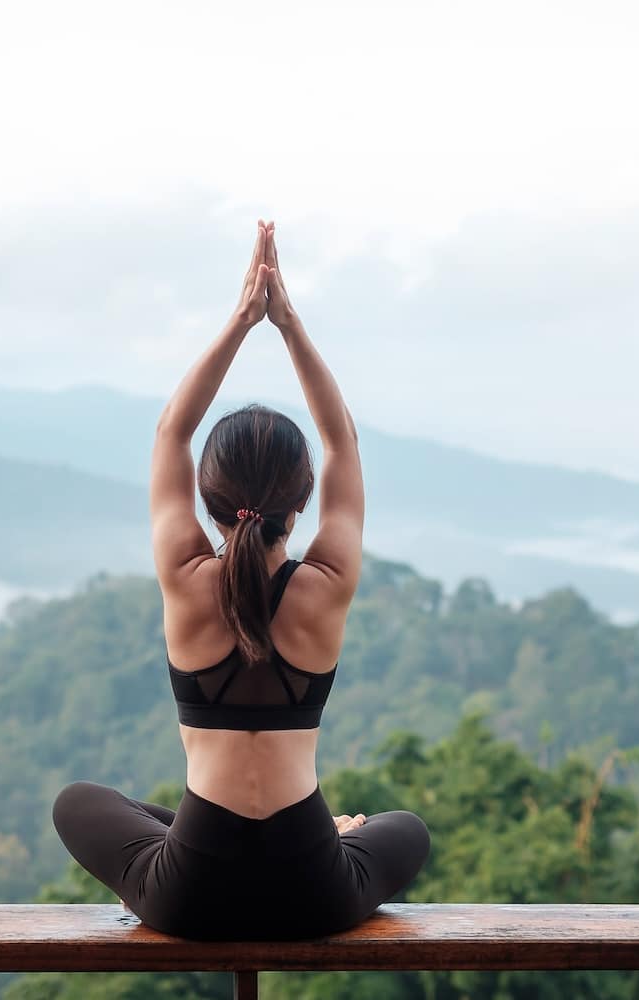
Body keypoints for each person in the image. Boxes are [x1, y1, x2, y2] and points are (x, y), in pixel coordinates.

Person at [52, 220, 430, 940]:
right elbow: (341, 436)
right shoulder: (328, 582)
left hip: (191, 895)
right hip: (313, 892)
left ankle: (184, 838)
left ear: (209, 496)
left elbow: (171, 431)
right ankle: (339, 836)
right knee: (405, 827)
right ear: (303, 498)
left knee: (79, 800)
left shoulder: (186, 577)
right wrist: (288, 324)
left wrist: (241, 320)